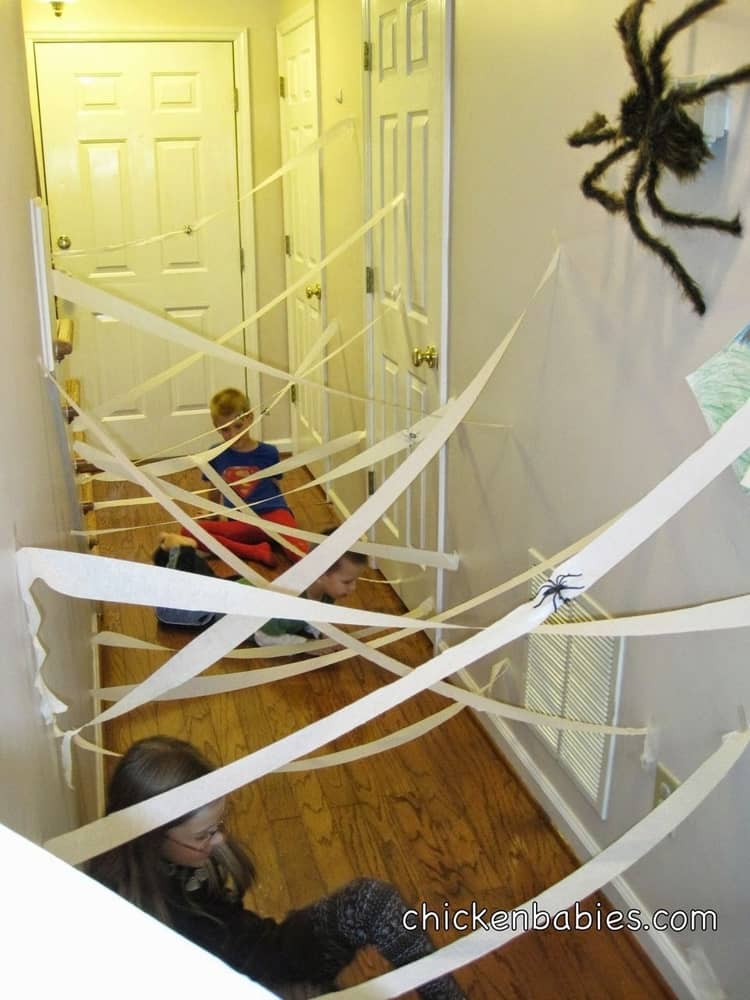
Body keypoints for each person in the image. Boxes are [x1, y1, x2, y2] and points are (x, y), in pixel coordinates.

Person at [87, 736, 465, 999]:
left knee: (372, 901)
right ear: (153, 836)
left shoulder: (182, 860)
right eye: (205, 834)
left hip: (269, 954)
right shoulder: (133, 924)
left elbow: (244, 939)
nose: (219, 840)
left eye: (220, 824)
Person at [152, 533, 367, 648]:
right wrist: (308, 646)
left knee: (200, 579)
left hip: (234, 591)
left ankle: (168, 553)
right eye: (347, 582)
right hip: (210, 608)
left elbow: (310, 618)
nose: (353, 588)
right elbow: (264, 637)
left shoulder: (327, 594)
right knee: (167, 611)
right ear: (321, 574)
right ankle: (181, 548)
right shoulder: (288, 601)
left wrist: (318, 634)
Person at [181, 388, 309, 568]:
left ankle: (268, 545)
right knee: (188, 531)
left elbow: (274, 485)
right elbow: (214, 488)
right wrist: (214, 513)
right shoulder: (215, 454)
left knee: (302, 554)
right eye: (225, 430)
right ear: (216, 427)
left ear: (249, 418)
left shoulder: (269, 453)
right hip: (242, 521)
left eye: (238, 426)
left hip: (274, 516)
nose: (233, 435)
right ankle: (255, 551)